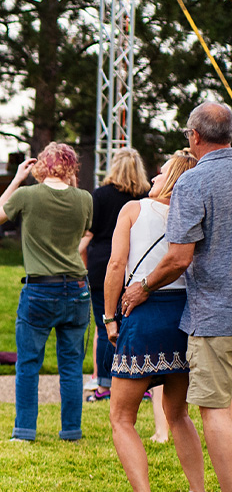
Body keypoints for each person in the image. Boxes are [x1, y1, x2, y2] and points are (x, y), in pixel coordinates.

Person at [122, 100, 232, 492]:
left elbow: (179, 257)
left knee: (217, 409)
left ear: (194, 136)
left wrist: (143, 286)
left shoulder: (196, 181)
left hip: (215, 316)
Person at [102, 151, 205, 492]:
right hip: (183, 315)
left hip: (143, 313)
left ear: (173, 176)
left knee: (121, 416)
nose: (153, 178)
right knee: (178, 414)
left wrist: (109, 316)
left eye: (160, 173)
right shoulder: (193, 214)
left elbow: (116, 264)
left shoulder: (135, 209)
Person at [0, 142, 92, 442]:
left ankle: (24, 431)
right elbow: (84, 230)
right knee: (72, 365)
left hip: (40, 289)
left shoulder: (27, 195)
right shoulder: (85, 198)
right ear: (72, 167)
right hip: (76, 287)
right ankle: (71, 429)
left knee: (28, 364)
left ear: (41, 166)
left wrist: (16, 179)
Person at [79, 148, 150, 402]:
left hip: (102, 267)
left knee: (104, 326)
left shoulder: (99, 195)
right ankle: (141, 383)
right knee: (134, 324)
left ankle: (104, 385)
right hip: (135, 266)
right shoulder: (146, 196)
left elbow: (88, 234)